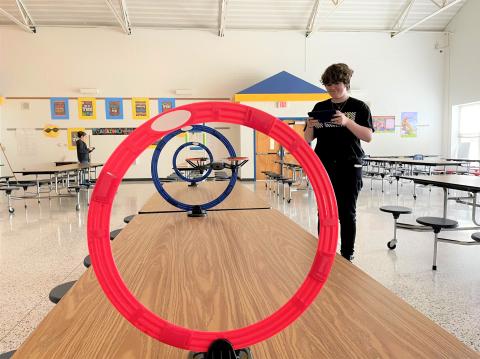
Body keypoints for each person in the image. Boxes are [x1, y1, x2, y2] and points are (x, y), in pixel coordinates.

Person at [304, 63, 374, 262]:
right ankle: (326, 250)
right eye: (328, 85)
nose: (332, 89)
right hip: (324, 165)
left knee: (347, 211)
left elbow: (368, 136)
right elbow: (307, 139)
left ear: (346, 83)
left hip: (350, 165)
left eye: (336, 85)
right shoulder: (320, 107)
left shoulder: (359, 107)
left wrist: (346, 122)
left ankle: (347, 254)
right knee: (324, 211)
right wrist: (309, 126)